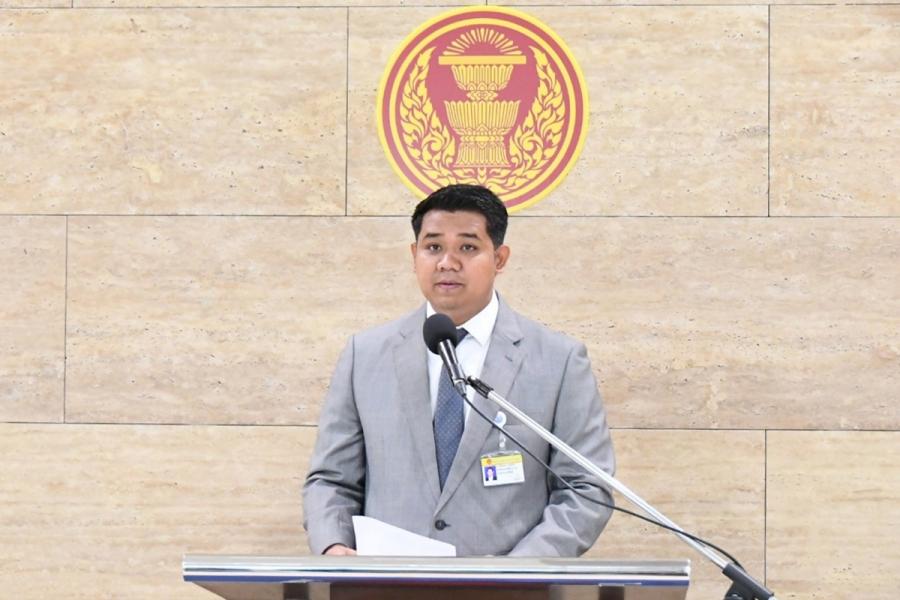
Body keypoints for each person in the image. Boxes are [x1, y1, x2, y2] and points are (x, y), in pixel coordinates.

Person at [303, 184, 615, 557]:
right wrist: (334, 546)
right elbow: (331, 480)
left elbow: (586, 488)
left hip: (510, 584)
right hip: (387, 581)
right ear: (414, 255)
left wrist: (519, 571)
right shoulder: (365, 355)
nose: (447, 263)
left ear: (499, 258)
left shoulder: (558, 361)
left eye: (467, 247)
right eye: (433, 247)